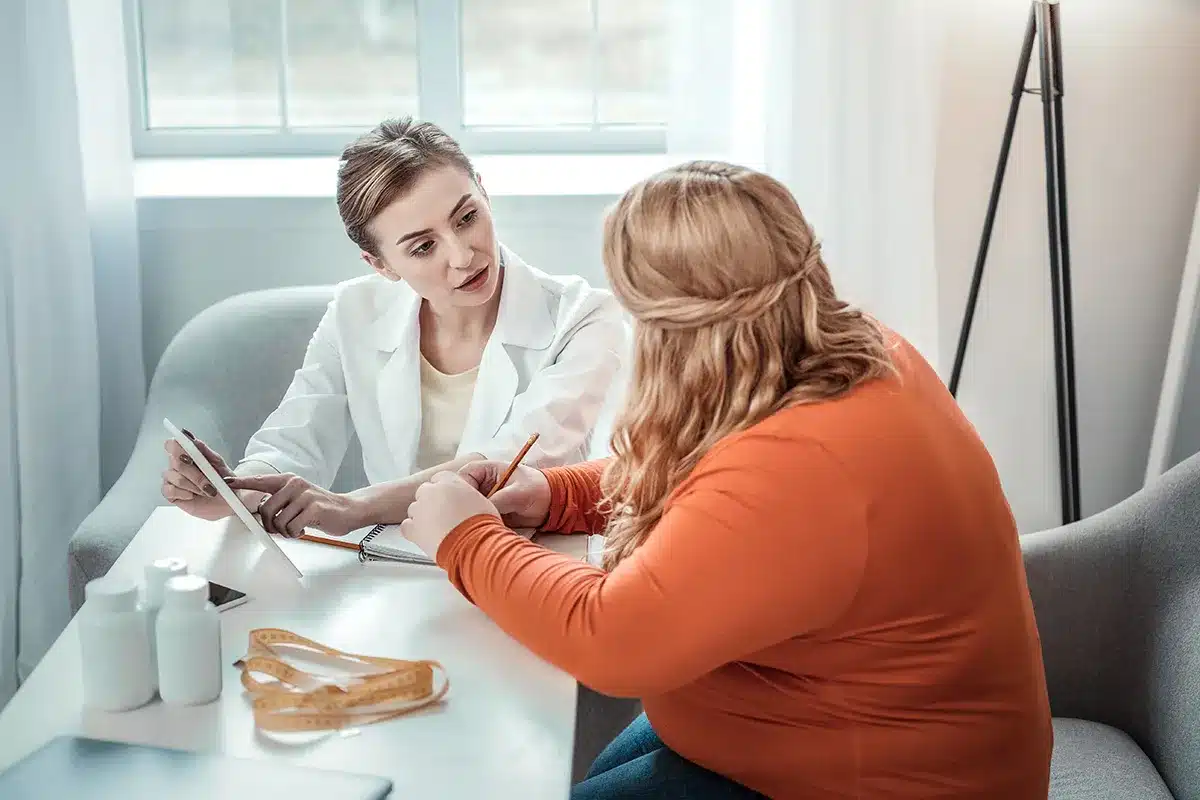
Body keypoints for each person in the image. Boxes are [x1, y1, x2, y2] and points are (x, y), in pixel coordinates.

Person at [395, 162, 1054, 798]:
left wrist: (467, 539)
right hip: (808, 733)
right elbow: (710, 476)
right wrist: (558, 494)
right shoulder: (857, 351)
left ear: (680, 328)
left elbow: (612, 641)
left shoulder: (802, 466)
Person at [161, 118, 627, 537]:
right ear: (381, 264)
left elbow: (500, 470)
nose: (463, 256)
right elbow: (294, 441)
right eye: (424, 247)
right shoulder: (354, 312)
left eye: (467, 218)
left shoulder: (584, 318)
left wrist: (353, 507)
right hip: (390, 567)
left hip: (529, 565)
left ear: (483, 192)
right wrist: (236, 490)